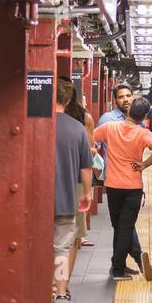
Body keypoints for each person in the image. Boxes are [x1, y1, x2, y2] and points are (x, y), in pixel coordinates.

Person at [94, 96, 152, 283]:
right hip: (133, 188)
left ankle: (125, 265)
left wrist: (95, 158)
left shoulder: (110, 128)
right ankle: (120, 269)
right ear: (144, 116)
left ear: (129, 109)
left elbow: (91, 139)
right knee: (125, 228)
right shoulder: (143, 134)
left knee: (120, 227)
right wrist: (143, 165)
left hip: (113, 186)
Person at [96, 83, 144, 276]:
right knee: (124, 224)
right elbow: (93, 144)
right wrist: (98, 168)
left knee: (121, 225)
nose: (125, 100)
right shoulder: (108, 119)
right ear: (115, 100)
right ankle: (138, 258)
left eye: (128, 96)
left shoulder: (136, 120)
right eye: (121, 97)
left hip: (132, 180)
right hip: (115, 180)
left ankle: (119, 264)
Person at [54, 79, 93, 303]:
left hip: (34, 202)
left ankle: (40, 286)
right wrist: (87, 193)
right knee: (61, 248)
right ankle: (59, 293)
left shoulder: (35, 125)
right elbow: (86, 169)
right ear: (68, 100)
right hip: (66, 199)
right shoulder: (77, 128)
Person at [62, 90, 97, 281]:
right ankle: (61, 286)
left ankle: (55, 285)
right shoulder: (79, 125)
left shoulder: (46, 122)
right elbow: (88, 161)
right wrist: (88, 192)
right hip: (75, 184)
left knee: (58, 240)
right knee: (70, 237)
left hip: (55, 186)